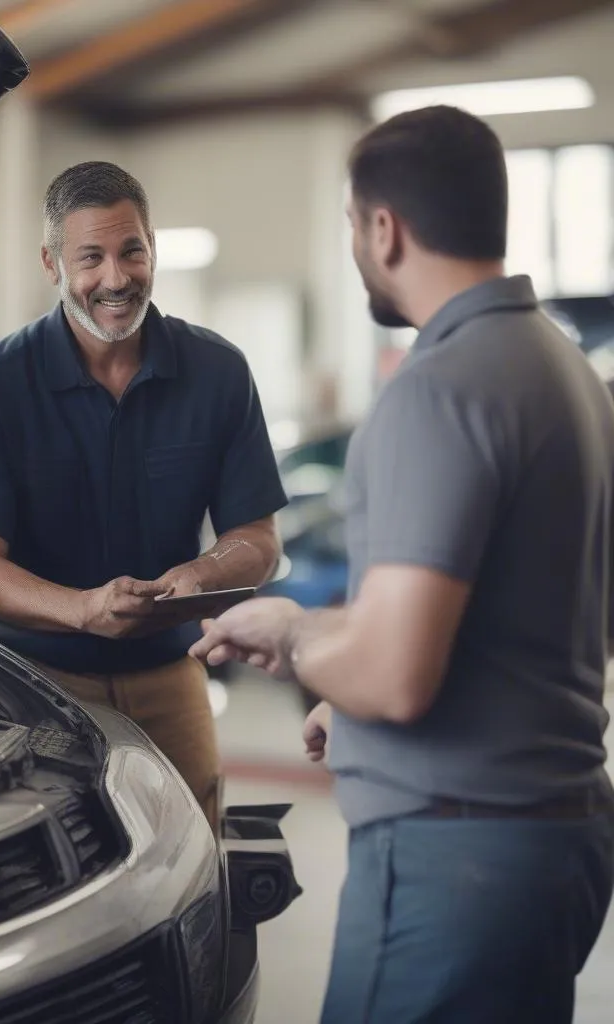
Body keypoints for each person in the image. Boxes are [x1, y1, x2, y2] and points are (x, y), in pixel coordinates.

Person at [191, 105, 614, 1022]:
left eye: (351, 224)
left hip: (451, 861)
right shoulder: (563, 370)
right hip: (557, 837)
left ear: (384, 229)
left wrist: (299, 634)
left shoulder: (440, 386)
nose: (354, 245)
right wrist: (356, 703)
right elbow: (508, 615)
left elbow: (395, 674)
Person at [0, 160, 287, 833]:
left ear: (153, 249)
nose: (117, 278)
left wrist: (204, 574)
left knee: (198, 850)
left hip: (169, 671)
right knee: (48, 860)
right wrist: (82, 609)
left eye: (133, 251)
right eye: (90, 256)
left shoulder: (218, 373)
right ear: (52, 263)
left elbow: (257, 538)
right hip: (31, 678)